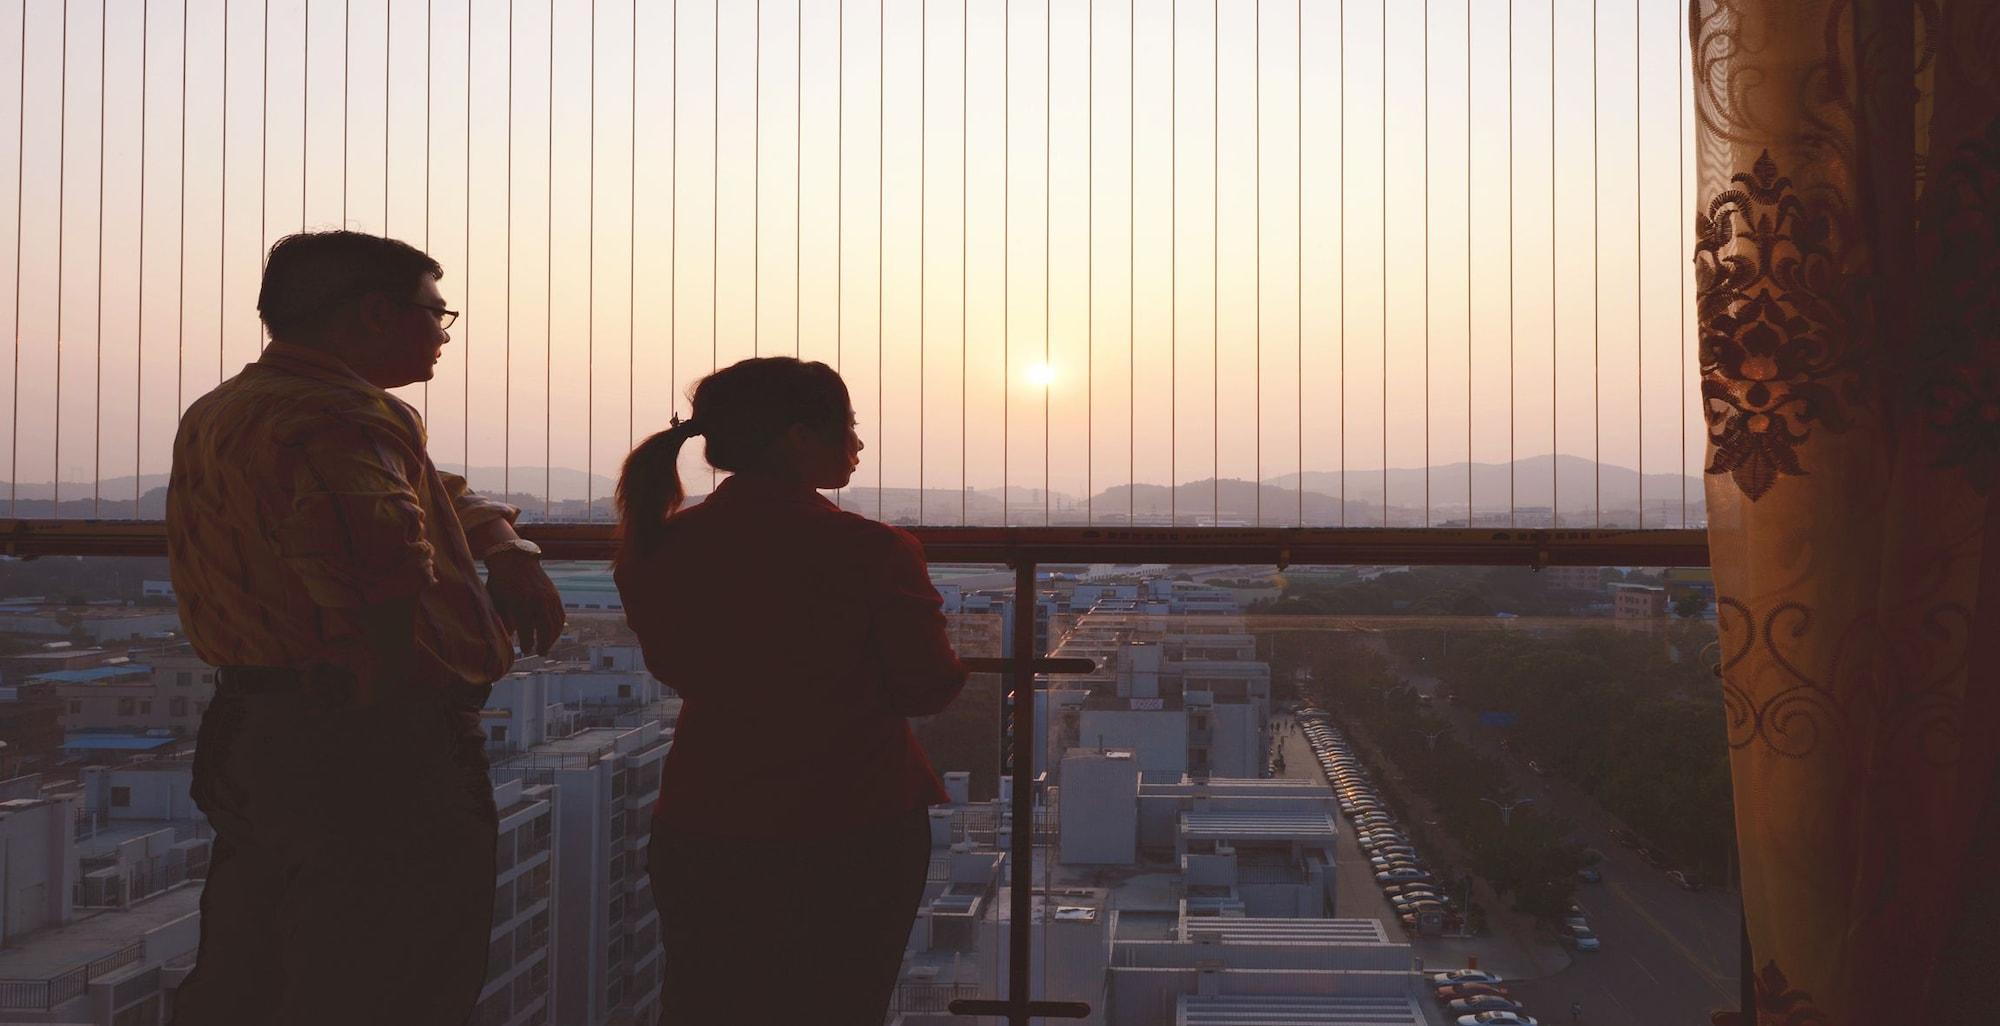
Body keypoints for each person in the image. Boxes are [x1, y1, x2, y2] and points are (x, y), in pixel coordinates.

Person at [165, 230, 566, 1026]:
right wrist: (402, 710)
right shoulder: (337, 418)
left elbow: (427, 490)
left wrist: (503, 544)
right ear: (377, 314)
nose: (444, 333)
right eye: (435, 311)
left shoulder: (230, 408)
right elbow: (382, 572)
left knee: (253, 967)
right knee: (392, 973)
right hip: (363, 740)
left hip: (257, 724)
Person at [613, 357, 969, 1026]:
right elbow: (926, 687)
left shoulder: (659, 544)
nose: (858, 444)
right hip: (852, 816)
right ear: (799, 438)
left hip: (705, 812)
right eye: (847, 427)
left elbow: (676, 666)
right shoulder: (872, 549)